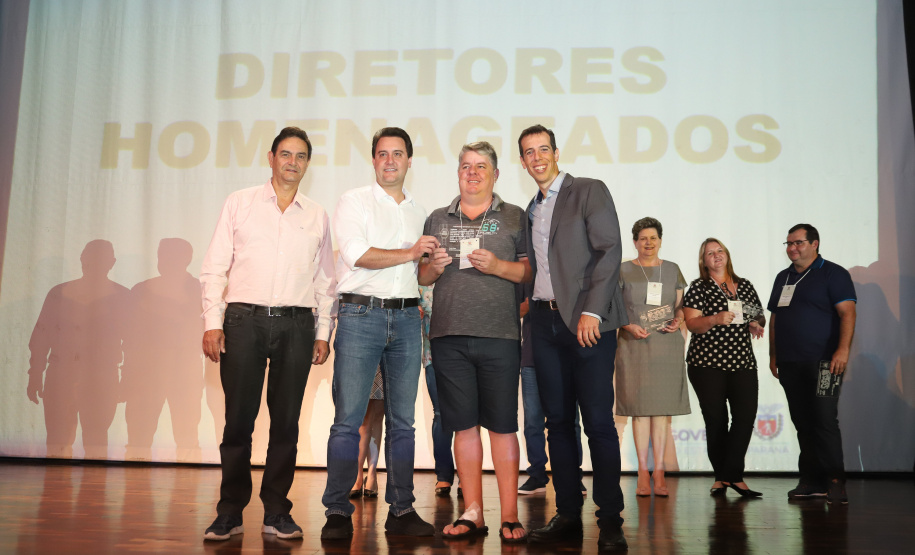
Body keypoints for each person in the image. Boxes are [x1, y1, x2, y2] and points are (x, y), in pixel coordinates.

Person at [199, 127, 336, 541]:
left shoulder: (317, 214)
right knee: (238, 421)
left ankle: (277, 510)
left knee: (286, 423)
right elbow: (214, 268)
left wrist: (323, 331)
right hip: (244, 320)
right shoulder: (239, 203)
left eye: (300, 156)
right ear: (271, 158)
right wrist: (212, 322)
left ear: (307, 164)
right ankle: (230, 511)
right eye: (285, 154)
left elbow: (326, 280)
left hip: (297, 324)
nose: (292, 162)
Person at [321, 127, 436, 540]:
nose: (390, 161)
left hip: (407, 319)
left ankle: (401, 508)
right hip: (360, 316)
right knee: (347, 421)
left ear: (409, 160)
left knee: (403, 423)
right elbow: (356, 254)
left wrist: (433, 264)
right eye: (383, 154)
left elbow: (420, 273)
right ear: (373, 161)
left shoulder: (421, 210)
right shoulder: (353, 201)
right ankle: (336, 510)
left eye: (398, 154)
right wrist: (411, 251)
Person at [518, 124, 628, 552]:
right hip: (544, 326)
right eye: (528, 152)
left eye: (543, 149)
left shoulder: (588, 189)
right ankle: (566, 513)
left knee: (599, 424)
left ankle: (610, 519)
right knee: (558, 423)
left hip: (588, 325)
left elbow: (609, 249)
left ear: (556, 152)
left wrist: (591, 312)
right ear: (523, 161)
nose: (537, 157)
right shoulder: (531, 207)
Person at [419, 141, 531, 543]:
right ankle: (473, 514)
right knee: (463, 428)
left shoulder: (515, 216)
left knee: (502, 427)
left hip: (500, 336)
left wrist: (498, 266)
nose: (472, 172)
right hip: (448, 336)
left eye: (481, 166)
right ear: (458, 172)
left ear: (495, 174)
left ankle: (511, 516)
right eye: (466, 165)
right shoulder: (436, 218)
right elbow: (423, 277)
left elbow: (527, 274)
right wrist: (432, 267)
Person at [767, 224, 856, 504]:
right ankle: (811, 480)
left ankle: (835, 481)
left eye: (798, 243)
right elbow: (775, 318)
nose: (792, 248)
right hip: (791, 363)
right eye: (788, 243)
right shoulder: (784, 277)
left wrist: (842, 351)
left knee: (824, 421)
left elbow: (848, 313)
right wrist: (773, 354)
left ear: (814, 243)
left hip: (825, 363)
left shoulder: (833, 273)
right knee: (803, 423)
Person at [683, 238, 766, 498]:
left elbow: (758, 314)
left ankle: (728, 475)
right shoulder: (700, 287)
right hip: (707, 364)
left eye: (720, 251)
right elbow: (693, 324)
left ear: (727, 255)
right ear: (703, 261)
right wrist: (715, 319)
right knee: (716, 421)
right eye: (710, 253)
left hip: (741, 362)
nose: (716, 256)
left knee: (745, 417)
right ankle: (727, 478)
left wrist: (756, 323)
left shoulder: (745, 285)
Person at [616, 217, 690, 497]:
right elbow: (613, 307)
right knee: (639, 410)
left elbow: (681, 306)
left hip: (665, 344)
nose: (648, 243)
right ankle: (643, 474)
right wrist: (627, 326)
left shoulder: (672, 270)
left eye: (653, 238)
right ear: (635, 242)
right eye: (643, 238)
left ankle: (659, 471)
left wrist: (679, 319)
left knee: (661, 412)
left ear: (660, 240)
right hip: (633, 344)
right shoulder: (622, 270)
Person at [518, 282, 587, 497]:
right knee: (533, 420)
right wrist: (534, 303)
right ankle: (537, 473)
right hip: (531, 356)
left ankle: (573, 474)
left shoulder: (568, 272)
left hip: (564, 355)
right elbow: (516, 309)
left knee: (570, 419)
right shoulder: (528, 275)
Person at [419, 284, 457, 497]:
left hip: (462, 355)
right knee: (441, 414)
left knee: (470, 416)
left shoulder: (461, 274)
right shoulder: (421, 278)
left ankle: (467, 476)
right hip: (432, 356)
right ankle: (443, 475)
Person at [350, 366, 384, 499]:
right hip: (366, 353)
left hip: (387, 352)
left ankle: (371, 474)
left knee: (378, 415)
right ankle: (357, 475)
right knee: (365, 418)